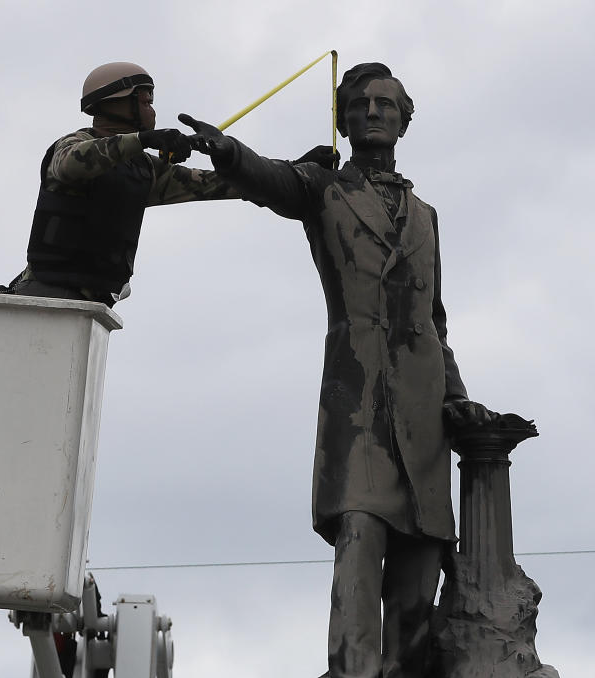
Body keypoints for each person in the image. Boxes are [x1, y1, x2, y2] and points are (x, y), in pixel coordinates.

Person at [181, 63, 494, 678]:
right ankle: (351, 669)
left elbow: (434, 319)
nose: (373, 113)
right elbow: (269, 178)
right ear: (344, 119)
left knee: (421, 554)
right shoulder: (323, 188)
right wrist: (227, 150)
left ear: (405, 120)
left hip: (424, 407)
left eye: (385, 104)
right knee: (361, 529)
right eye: (360, 105)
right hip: (358, 396)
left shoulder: (427, 215)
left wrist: (456, 396)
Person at [0, 61, 334, 306]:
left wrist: (293, 168)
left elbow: (221, 184)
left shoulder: (143, 170)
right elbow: (71, 165)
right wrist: (144, 139)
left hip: (92, 306)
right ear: (117, 103)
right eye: (146, 102)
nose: (153, 110)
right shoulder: (72, 145)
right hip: (44, 297)